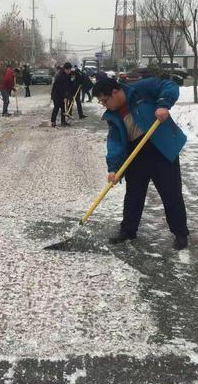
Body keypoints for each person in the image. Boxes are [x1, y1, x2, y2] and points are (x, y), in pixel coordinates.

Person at [92, 77, 189, 250]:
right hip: (135, 153)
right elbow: (114, 141)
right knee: (133, 195)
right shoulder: (112, 115)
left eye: (104, 100)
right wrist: (114, 168)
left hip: (160, 147)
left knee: (171, 193)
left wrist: (163, 104)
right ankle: (128, 230)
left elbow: (169, 84)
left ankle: (180, 233)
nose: (104, 105)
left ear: (115, 92)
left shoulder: (141, 89)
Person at [50, 62, 72, 127]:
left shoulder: (67, 75)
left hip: (62, 94)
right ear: (65, 69)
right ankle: (53, 121)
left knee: (63, 108)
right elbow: (59, 88)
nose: (69, 71)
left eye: (70, 70)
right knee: (56, 108)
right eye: (68, 70)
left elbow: (67, 87)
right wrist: (64, 97)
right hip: (56, 94)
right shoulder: (60, 76)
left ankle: (63, 121)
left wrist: (66, 96)